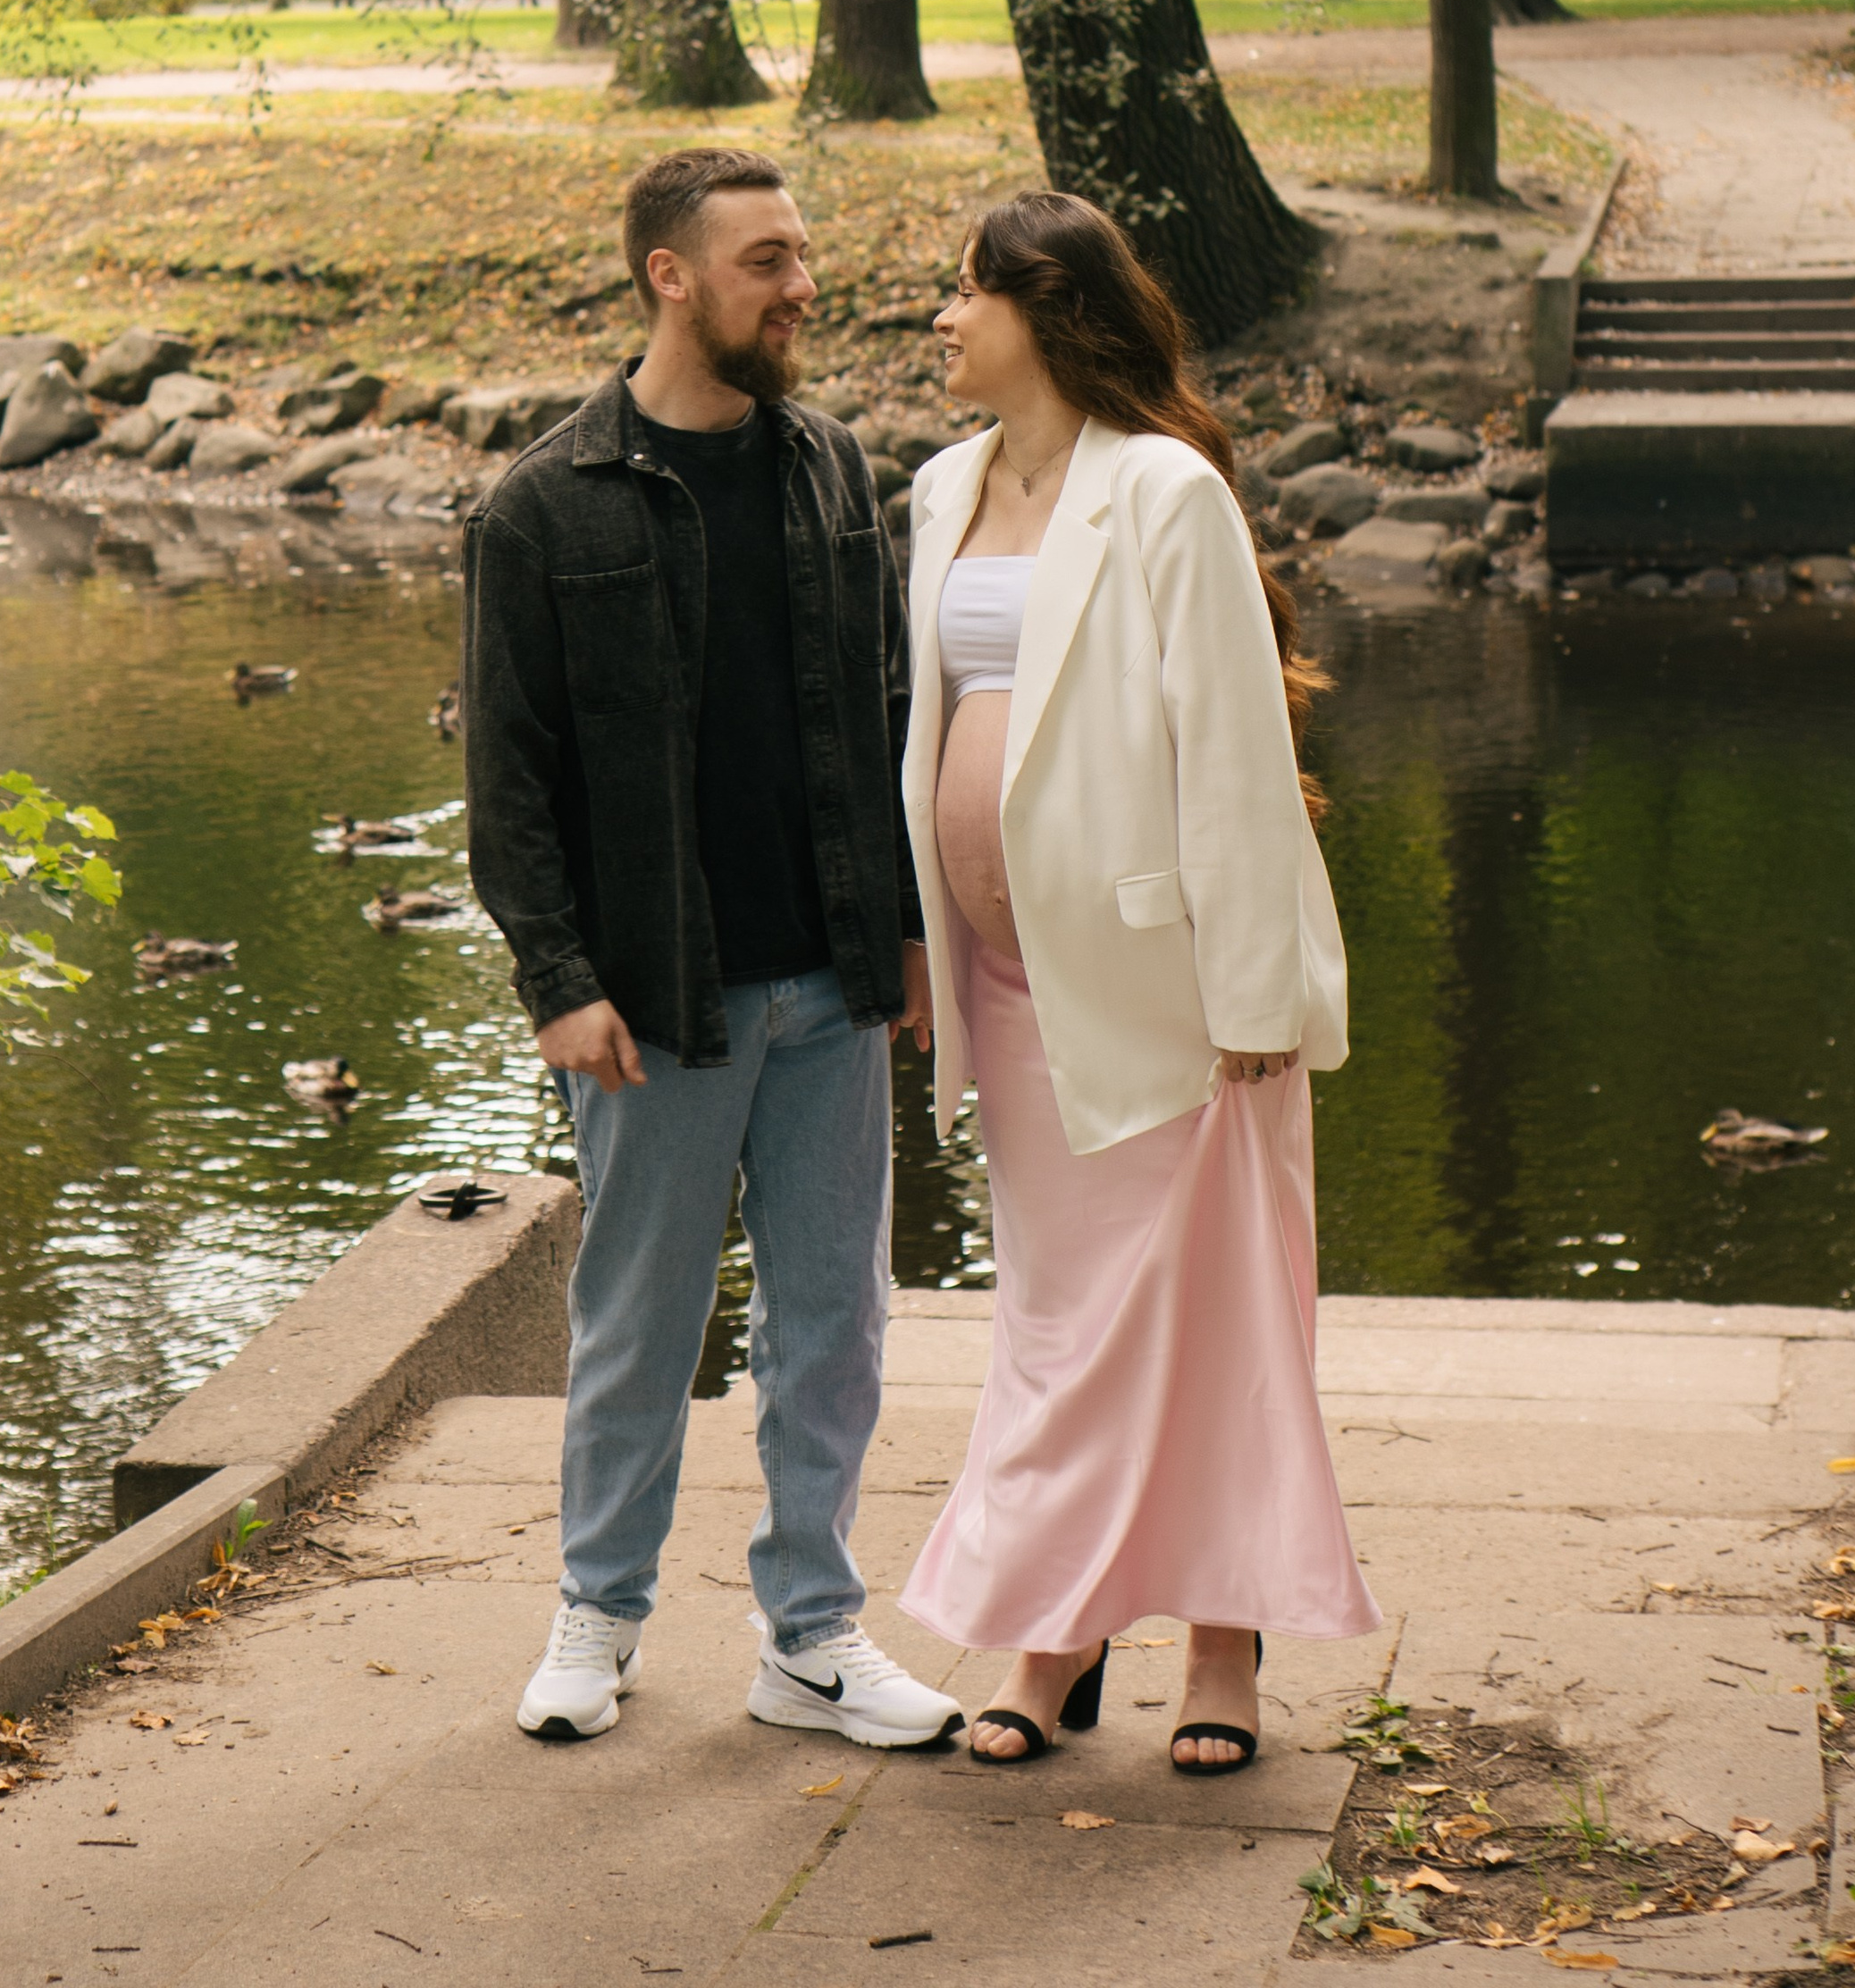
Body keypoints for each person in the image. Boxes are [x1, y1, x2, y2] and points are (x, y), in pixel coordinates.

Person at [464, 145, 961, 1754]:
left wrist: (905, 931)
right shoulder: (544, 504)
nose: (802, 286)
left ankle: (811, 1637)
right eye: (767, 262)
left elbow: (888, 713)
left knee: (835, 1325)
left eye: (802, 254)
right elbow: (510, 777)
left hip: (832, 984)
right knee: (638, 1325)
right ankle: (599, 1615)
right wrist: (559, 981)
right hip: (655, 1000)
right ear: (670, 276)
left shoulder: (829, 466)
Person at [894, 190, 1375, 1774]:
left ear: (1048, 308)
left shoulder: (1165, 489)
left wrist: (1252, 998)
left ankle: (1222, 1642)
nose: (943, 317)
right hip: (1007, 980)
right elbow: (926, 730)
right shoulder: (942, 488)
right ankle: (1061, 1627)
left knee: (1212, 1315)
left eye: (967, 291)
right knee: (1054, 1320)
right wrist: (921, 942)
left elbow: (1233, 748)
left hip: (1169, 988)